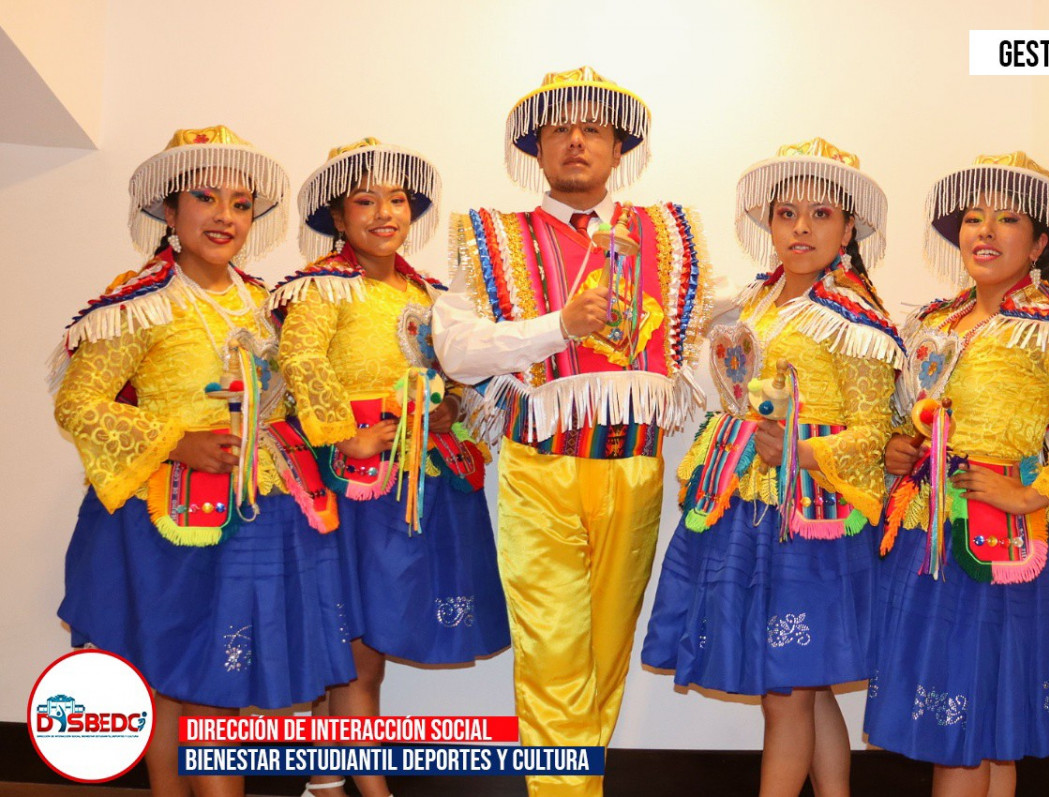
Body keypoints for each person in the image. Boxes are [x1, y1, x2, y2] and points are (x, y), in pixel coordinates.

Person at [432, 66, 719, 796]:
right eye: (560, 128)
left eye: (593, 128)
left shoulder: (670, 235)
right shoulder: (491, 237)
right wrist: (558, 327)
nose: (577, 141)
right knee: (555, 652)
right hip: (543, 470)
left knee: (607, 656)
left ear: (619, 147)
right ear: (536, 149)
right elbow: (457, 351)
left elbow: (711, 347)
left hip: (636, 470)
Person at [52, 126, 353, 797]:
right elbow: (78, 403)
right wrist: (179, 440)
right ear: (169, 211)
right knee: (163, 674)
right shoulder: (136, 305)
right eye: (206, 198)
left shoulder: (267, 303)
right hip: (164, 520)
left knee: (218, 677)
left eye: (241, 204)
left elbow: (290, 397)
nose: (225, 216)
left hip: (257, 515)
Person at [863, 152, 1049, 797]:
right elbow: (912, 414)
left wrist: (1029, 492)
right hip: (931, 530)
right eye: (973, 219)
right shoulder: (934, 323)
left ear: (1039, 242)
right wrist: (901, 448)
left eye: (1008, 219)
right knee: (979, 728)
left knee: (972, 732)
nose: (985, 232)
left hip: (1005, 539)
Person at [641, 139, 903, 797]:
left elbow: (873, 434)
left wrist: (800, 450)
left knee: (784, 687)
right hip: (751, 510)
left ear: (849, 229)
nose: (801, 227)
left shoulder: (858, 318)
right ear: (769, 224)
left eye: (820, 214)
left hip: (814, 520)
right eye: (787, 213)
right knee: (803, 686)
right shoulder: (755, 305)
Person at [273, 138, 510, 797]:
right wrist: (346, 434)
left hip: (423, 476)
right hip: (357, 484)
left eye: (397, 199)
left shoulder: (433, 295)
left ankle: (326, 771)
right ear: (338, 216)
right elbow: (302, 361)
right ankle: (368, 782)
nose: (384, 212)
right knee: (355, 632)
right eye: (365, 200)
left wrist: (452, 411)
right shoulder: (320, 287)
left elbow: (458, 372)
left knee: (377, 622)